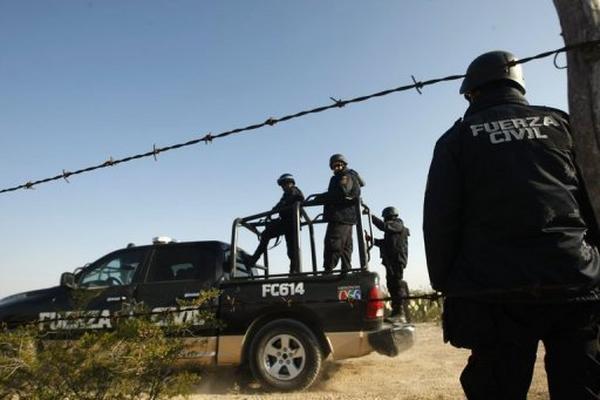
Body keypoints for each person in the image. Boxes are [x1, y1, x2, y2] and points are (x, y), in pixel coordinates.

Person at [423, 50, 600, 399]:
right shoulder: (562, 124)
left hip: (496, 292)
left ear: (471, 92)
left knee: (496, 388)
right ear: (518, 86)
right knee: (583, 386)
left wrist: (449, 284)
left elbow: (440, 222)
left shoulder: (456, 139)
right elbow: (592, 196)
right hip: (574, 280)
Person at [315, 154, 365, 273]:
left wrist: (321, 197)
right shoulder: (344, 176)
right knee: (345, 247)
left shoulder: (346, 176)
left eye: (338, 165)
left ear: (343, 164)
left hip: (341, 216)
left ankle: (328, 271)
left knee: (333, 243)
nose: (336, 168)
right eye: (333, 166)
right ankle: (345, 272)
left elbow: (343, 193)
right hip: (346, 217)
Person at [248, 173, 304, 273]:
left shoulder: (294, 191)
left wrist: (276, 209)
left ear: (291, 183)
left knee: (292, 250)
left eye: (285, 184)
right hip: (286, 223)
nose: (283, 187)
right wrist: (272, 212)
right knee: (268, 235)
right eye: (282, 185)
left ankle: (294, 272)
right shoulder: (286, 194)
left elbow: (295, 200)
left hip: (291, 224)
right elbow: (279, 204)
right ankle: (293, 272)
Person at [367, 206, 410, 322]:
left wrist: (371, 217)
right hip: (391, 261)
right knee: (391, 285)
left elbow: (383, 227)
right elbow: (385, 244)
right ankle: (396, 312)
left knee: (396, 284)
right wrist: (372, 240)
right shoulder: (393, 230)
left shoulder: (398, 225)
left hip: (397, 260)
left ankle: (400, 313)